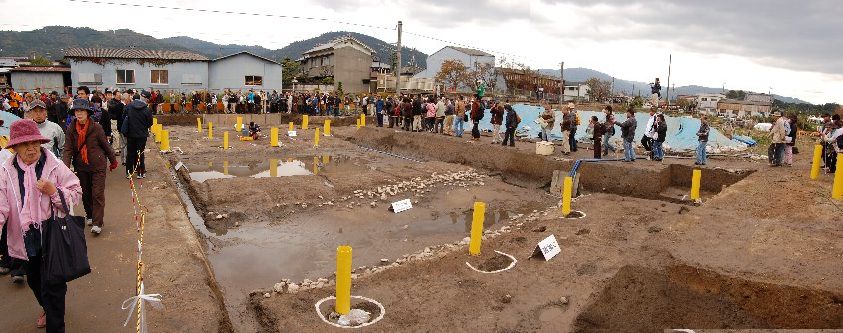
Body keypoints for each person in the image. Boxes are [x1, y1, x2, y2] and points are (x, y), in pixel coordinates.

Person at [0, 119, 83, 331]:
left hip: (52, 234)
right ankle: (47, 307)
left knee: (54, 285)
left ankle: (55, 322)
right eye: (25, 144)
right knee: (35, 281)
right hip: (24, 237)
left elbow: (76, 191)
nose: (31, 148)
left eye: (35, 142)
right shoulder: (6, 171)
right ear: (15, 147)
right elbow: (1, 206)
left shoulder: (54, 165)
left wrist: (53, 191)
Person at [62, 98, 117, 235]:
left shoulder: (96, 127)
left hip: (98, 165)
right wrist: (65, 167)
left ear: (87, 112)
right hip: (81, 166)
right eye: (76, 111)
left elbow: (106, 145)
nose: (79, 113)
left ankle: (98, 223)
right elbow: (68, 149)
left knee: (97, 194)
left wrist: (113, 160)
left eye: (82, 110)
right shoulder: (71, 129)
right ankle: (90, 215)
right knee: (86, 194)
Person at [121, 91, 153, 179]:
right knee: (140, 153)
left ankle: (129, 173)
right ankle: (140, 173)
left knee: (130, 153)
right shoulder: (147, 109)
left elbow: (124, 118)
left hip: (130, 134)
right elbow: (150, 123)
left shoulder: (129, 107)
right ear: (146, 99)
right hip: (142, 135)